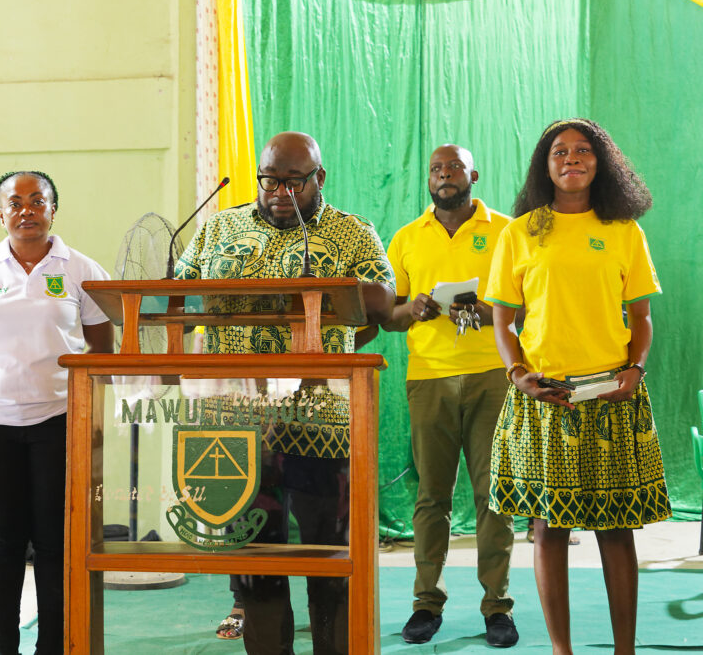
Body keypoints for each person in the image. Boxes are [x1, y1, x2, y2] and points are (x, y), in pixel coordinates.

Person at [176, 131, 395, 655]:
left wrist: (319, 287)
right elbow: (175, 291)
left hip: (320, 416)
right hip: (235, 420)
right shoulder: (219, 227)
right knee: (256, 561)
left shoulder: (350, 232)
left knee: (328, 557)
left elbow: (382, 301)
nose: (278, 191)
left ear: (319, 178)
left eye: (292, 181)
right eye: (269, 180)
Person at [485, 119, 671, 655]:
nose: (572, 159)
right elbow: (503, 321)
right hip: (546, 398)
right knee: (548, 529)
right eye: (559, 152)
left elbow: (642, 316)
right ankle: (561, 651)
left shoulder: (623, 230)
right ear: (545, 166)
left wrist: (634, 371)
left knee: (617, 528)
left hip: (613, 395)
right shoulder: (521, 232)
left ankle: (624, 650)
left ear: (601, 162)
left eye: (583, 150)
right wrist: (519, 374)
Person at [0, 171, 113, 655]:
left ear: (53, 210)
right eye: (14, 202)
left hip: (58, 423)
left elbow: (102, 348)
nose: (26, 210)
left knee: (54, 544)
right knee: (0, 546)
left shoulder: (83, 270)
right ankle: (4, 649)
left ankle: (52, 647)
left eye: (37, 201)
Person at [382, 145, 518, 647]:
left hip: (492, 377)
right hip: (430, 377)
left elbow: (525, 308)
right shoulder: (406, 238)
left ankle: (497, 609)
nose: (444, 175)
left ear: (473, 175)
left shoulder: (507, 231)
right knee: (431, 497)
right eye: (436, 169)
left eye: (453, 167)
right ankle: (425, 603)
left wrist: (486, 313)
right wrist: (410, 310)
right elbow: (387, 316)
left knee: (494, 495)